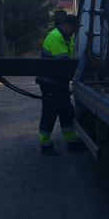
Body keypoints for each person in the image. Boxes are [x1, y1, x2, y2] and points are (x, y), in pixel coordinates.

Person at [37, 13, 82, 155]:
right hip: (50, 82)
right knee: (50, 113)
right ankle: (45, 145)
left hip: (59, 82)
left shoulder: (67, 37)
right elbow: (63, 63)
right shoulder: (56, 37)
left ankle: (72, 142)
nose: (76, 31)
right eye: (74, 28)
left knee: (66, 112)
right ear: (66, 26)